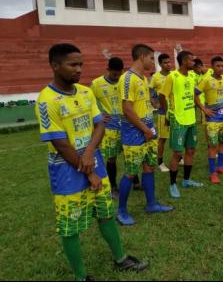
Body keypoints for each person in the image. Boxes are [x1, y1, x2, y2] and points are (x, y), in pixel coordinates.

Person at [35, 43, 147, 281]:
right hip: (67, 174)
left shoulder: (86, 92)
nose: (78, 69)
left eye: (81, 64)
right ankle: (80, 277)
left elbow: (99, 124)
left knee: (106, 213)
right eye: (72, 64)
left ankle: (120, 259)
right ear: (54, 65)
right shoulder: (46, 100)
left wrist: (89, 155)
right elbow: (60, 143)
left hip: (94, 164)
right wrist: (87, 170)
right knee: (70, 227)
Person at [116, 44, 174, 226]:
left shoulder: (143, 78)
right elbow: (127, 109)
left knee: (149, 167)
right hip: (135, 132)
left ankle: (151, 204)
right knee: (131, 173)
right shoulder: (127, 78)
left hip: (148, 128)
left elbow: (144, 102)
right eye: (151, 58)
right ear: (142, 57)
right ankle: (122, 211)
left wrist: (153, 108)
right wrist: (145, 129)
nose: (152, 62)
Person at [159, 50, 203, 199]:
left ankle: (186, 180)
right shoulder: (172, 77)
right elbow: (162, 96)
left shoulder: (192, 76)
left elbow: (194, 94)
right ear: (184, 61)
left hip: (191, 119)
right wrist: (167, 114)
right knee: (178, 153)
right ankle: (172, 184)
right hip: (178, 120)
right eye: (191, 61)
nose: (194, 63)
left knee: (190, 150)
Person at [194, 56, 223, 184]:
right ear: (212, 66)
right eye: (218, 66)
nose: (220, 68)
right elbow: (195, 95)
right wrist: (204, 109)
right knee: (212, 145)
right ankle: (213, 173)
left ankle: (220, 167)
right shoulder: (206, 80)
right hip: (212, 119)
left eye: (222, 66)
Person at [90, 57, 124, 198]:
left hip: (126, 125)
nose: (116, 77)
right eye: (114, 74)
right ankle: (113, 186)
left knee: (130, 153)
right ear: (107, 69)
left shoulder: (124, 81)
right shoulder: (96, 84)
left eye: (119, 73)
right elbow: (89, 103)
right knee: (111, 158)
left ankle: (135, 181)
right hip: (109, 127)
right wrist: (97, 115)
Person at [149, 53, 173, 172]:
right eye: (165, 62)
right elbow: (150, 90)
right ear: (160, 64)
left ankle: (178, 158)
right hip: (163, 112)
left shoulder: (174, 75)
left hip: (175, 111)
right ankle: (160, 162)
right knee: (163, 138)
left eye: (169, 62)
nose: (168, 64)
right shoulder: (156, 77)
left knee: (176, 135)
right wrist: (155, 103)